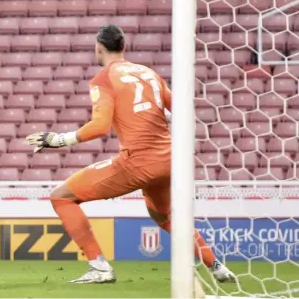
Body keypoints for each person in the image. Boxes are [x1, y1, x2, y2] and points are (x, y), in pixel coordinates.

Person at [25, 24, 236, 284]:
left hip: (138, 162)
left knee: (61, 197)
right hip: (171, 161)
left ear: (98, 47)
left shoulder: (103, 78)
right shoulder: (148, 73)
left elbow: (99, 127)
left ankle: (99, 268)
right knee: (165, 217)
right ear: (124, 47)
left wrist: (58, 140)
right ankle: (216, 266)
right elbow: (180, 109)